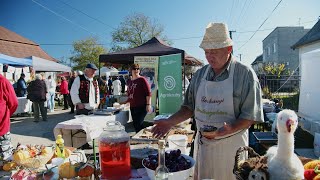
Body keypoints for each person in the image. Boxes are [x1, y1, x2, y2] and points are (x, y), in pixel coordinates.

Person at [151, 22, 264, 180]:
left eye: (215, 51)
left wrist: (230, 128)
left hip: (232, 148)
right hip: (204, 147)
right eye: (206, 52)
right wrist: (169, 122)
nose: (210, 56)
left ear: (229, 49)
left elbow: (250, 116)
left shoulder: (245, 74)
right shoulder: (200, 75)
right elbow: (188, 108)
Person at [125, 64, 152, 132]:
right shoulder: (130, 81)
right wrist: (125, 103)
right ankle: (140, 139)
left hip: (142, 106)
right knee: (135, 125)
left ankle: (147, 135)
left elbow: (148, 93)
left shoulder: (142, 79)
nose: (136, 70)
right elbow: (130, 95)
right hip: (133, 107)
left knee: (139, 124)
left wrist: (148, 105)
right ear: (131, 70)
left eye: (138, 69)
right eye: (134, 69)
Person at [0, 74, 18, 161]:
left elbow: (14, 103)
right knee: (5, 160)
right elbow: (14, 103)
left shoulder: (3, 81)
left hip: (1, 127)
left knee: (5, 160)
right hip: (2, 125)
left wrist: (6, 114)